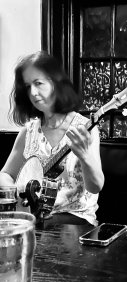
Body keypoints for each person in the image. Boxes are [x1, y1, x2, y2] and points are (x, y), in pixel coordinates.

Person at [0, 51, 104, 226]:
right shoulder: (29, 132)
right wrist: (17, 196)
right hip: (34, 219)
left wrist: (85, 156)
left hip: (75, 221)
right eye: (27, 86)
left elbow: (96, 186)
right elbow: (5, 174)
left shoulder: (85, 129)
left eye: (38, 83)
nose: (33, 92)